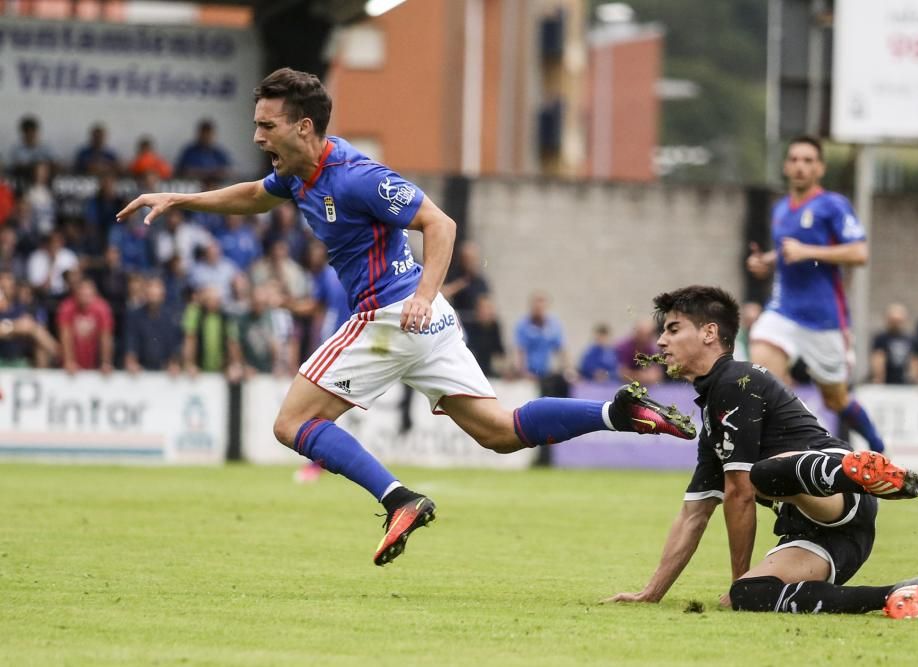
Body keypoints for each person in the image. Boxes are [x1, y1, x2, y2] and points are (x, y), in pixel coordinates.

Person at [116, 67, 697, 566]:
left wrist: (422, 293)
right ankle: (615, 411)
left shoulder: (358, 176)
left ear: (303, 127)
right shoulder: (297, 174)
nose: (257, 134)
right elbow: (254, 196)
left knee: (291, 423)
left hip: (392, 313)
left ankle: (398, 500)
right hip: (424, 321)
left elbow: (439, 224)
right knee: (499, 431)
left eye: (267, 125)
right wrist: (179, 199)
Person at [607, 285, 918, 619]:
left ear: (709, 333)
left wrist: (736, 575)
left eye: (673, 329)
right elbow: (694, 514)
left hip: (837, 490)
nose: (661, 341)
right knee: (752, 594)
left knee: (759, 476)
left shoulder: (737, 381)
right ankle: (894, 595)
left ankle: (859, 474)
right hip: (835, 537)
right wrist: (651, 594)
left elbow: (740, 493)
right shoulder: (712, 417)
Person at [746, 135, 886, 453]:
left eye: (808, 160)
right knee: (759, 379)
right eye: (794, 159)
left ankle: (876, 444)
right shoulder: (781, 208)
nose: (800, 166)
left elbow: (860, 253)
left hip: (823, 319)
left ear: (820, 168)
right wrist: (767, 261)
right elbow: (787, 252)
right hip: (782, 311)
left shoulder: (832, 205)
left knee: (835, 398)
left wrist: (806, 250)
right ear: (785, 166)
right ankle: (781, 453)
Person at [57, 278, 114, 374]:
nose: (85, 297)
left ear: (94, 294)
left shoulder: (102, 308)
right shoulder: (67, 307)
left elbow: (106, 337)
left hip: (94, 359)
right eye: (82, 294)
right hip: (72, 358)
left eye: (88, 294)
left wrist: (105, 362)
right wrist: (69, 361)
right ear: (76, 294)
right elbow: (65, 336)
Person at [870, 303, 918, 385]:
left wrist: (917, 380)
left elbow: (915, 360)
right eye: (893, 320)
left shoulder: (910, 339)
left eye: (898, 321)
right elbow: (878, 359)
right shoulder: (881, 338)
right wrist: (878, 379)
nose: (896, 324)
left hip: (905, 382)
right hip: (887, 382)